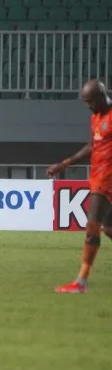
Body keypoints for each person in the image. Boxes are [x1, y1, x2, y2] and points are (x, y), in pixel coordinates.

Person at [48, 78, 112, 294]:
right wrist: (64, 163)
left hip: (106, 180)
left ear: (101, 96)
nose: (88, 106)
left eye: (90, 101)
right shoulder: (96, 118)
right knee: (109, 229)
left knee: (91, 227)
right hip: (97, 176)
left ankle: (81, 282)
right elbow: (93, 146)